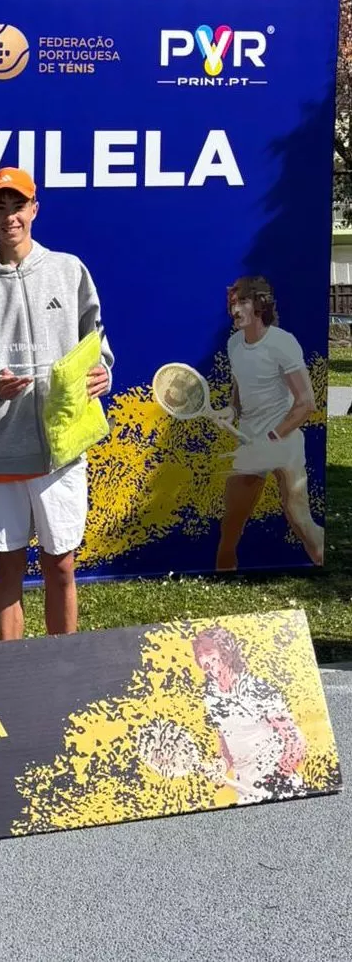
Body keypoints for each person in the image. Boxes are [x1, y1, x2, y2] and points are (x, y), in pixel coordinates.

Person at [0, 167, 113, 642]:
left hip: (62, 449)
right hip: (1, 451)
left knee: (61, 566)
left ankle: (64, 670)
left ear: (34, 209)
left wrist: (103, 371)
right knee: (6, 571)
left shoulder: (68, 270)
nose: (9, 215)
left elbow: (94, 341)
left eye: (17, 205)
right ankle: (11, 679)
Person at [216, 275, 324, 571]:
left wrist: (274, 436)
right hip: (251, 439)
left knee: (298, 517)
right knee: (232, 521)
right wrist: (231, 409)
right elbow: (241, 386)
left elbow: (306, 403)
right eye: (232, 303)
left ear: (260, 305)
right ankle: (224, 575)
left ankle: (322, 560)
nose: (235, 310)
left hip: (284, 441)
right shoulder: (234, 343)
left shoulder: (282, 343)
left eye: (243, 302)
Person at [192, 626, 306, 804]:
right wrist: (218, 767)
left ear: (226, 652)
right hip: (246, 794)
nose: (204, 659)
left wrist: (277, 779)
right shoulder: (211, 698)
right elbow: (227, 751)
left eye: (208, 651)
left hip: (283, 790)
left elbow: (294, 739)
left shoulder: (256, 689)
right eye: (200, 654)